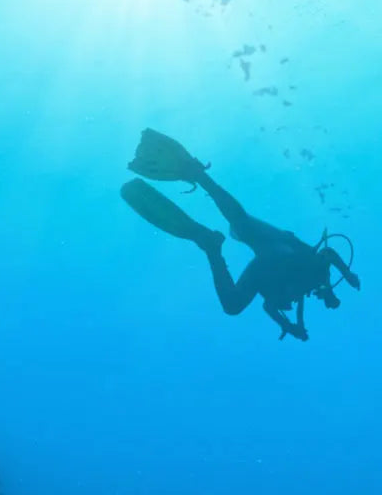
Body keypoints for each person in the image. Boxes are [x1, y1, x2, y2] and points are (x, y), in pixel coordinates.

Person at [120, 128, 360, 341]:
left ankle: (210, 245)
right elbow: (328, 252)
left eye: (326, 302)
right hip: (279, 248)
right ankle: (198, 177)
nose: (325, 300)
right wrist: (346, 273)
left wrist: (288, 325)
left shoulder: (299, 291)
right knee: (242, 224)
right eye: (330, 299)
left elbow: (269, 306)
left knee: (233, 305)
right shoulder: (320, 274)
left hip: (266, 263)